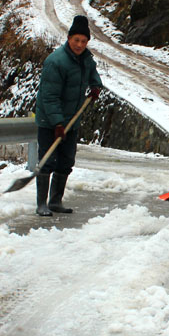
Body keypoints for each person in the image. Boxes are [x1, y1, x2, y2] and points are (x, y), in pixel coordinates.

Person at [33, 15, 102, 216]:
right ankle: (41, 204)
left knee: (66, 161)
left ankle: (55, 201)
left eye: (83, 41)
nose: (79, 45)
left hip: (71, 119)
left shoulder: (86, 60)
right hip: (50, 121)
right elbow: (49, 96)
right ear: (69, 38)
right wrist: (57, 123)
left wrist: (96, 87)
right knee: (47, 161)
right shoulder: (55, 62)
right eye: (76, 40)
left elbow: (93, 76)